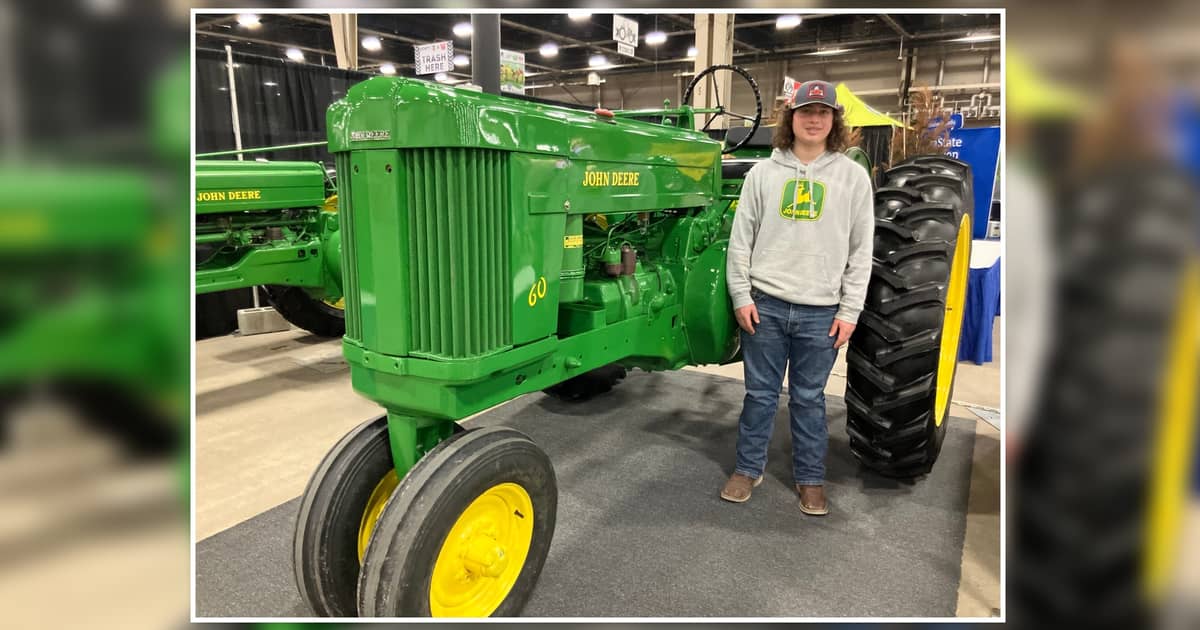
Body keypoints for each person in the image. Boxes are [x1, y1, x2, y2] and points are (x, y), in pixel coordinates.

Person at [720, 80, 874, 515]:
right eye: (806, 111)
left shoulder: (852, 178)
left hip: (821, 312)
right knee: (760, 395)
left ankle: (810, 479)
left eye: (823, 113)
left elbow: (862, 251)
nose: (814, 119)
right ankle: (748, 468)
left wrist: (850, 310)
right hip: (764, 305)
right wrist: (740, 296)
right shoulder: (762, 175)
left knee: (809, 399)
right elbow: (740, 241)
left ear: (834, 121)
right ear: (790, 117)